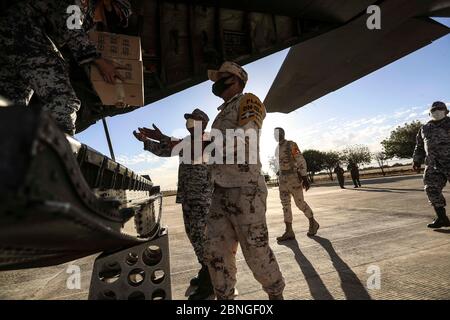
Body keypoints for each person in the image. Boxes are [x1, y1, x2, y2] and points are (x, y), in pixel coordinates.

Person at [205, 61, 285, 300]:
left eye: (222, 77)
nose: (217, 82)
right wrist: (171, 142)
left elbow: (246, 138)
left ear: (236, 80)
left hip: (244, 189)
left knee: (255, 249)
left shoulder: (248, 101)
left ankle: (275, 295)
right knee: (216, 253)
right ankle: (224, 297)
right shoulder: (221, 114)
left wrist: (207, 143)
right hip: (219, 190)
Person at [0, 0, 128, 135]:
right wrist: (100, 61)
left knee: (11, 104)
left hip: (20, 45)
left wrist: (116, 96)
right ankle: (60, 148)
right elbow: (72, 30)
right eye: (118, 13)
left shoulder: (89, 26)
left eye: (121, 19)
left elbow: (83, 61)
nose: (117, 19)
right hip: (21, 29)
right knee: (62, 97)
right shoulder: (81, 3)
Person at [133, 108, 214, 300]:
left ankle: (210, 281)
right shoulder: (186, 141)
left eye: (193, 120)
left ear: (202, 123)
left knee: (202, 239)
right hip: (188, 197)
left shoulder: (209, 139)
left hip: (201, 199)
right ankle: (205, 269)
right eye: (188, 120)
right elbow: (165, 150)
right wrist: (146, 141)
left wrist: (163, 136)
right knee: (194, 236)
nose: (189, 123)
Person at [274, 127, 320, 242]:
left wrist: (304, 177)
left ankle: (313, 222)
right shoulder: (277, 148)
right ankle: (289, 231)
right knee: (285, 205)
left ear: (283, 134)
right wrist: (279, 172)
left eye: (278, 133)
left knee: (299, 203)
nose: (276, 135)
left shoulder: (291, 145)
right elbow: (279, 164)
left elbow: (301, 160)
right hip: (282, 179)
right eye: (274, 134)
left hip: (293, 178)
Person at [413, 101, 450, 229]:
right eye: (434, 110)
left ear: (446, 111)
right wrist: (416, 160)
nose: (437, 111)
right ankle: (442, 218)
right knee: (431, 189)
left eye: (440, 109)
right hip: (433, 165)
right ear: (430, 113)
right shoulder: (424, 128)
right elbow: (419, 146)